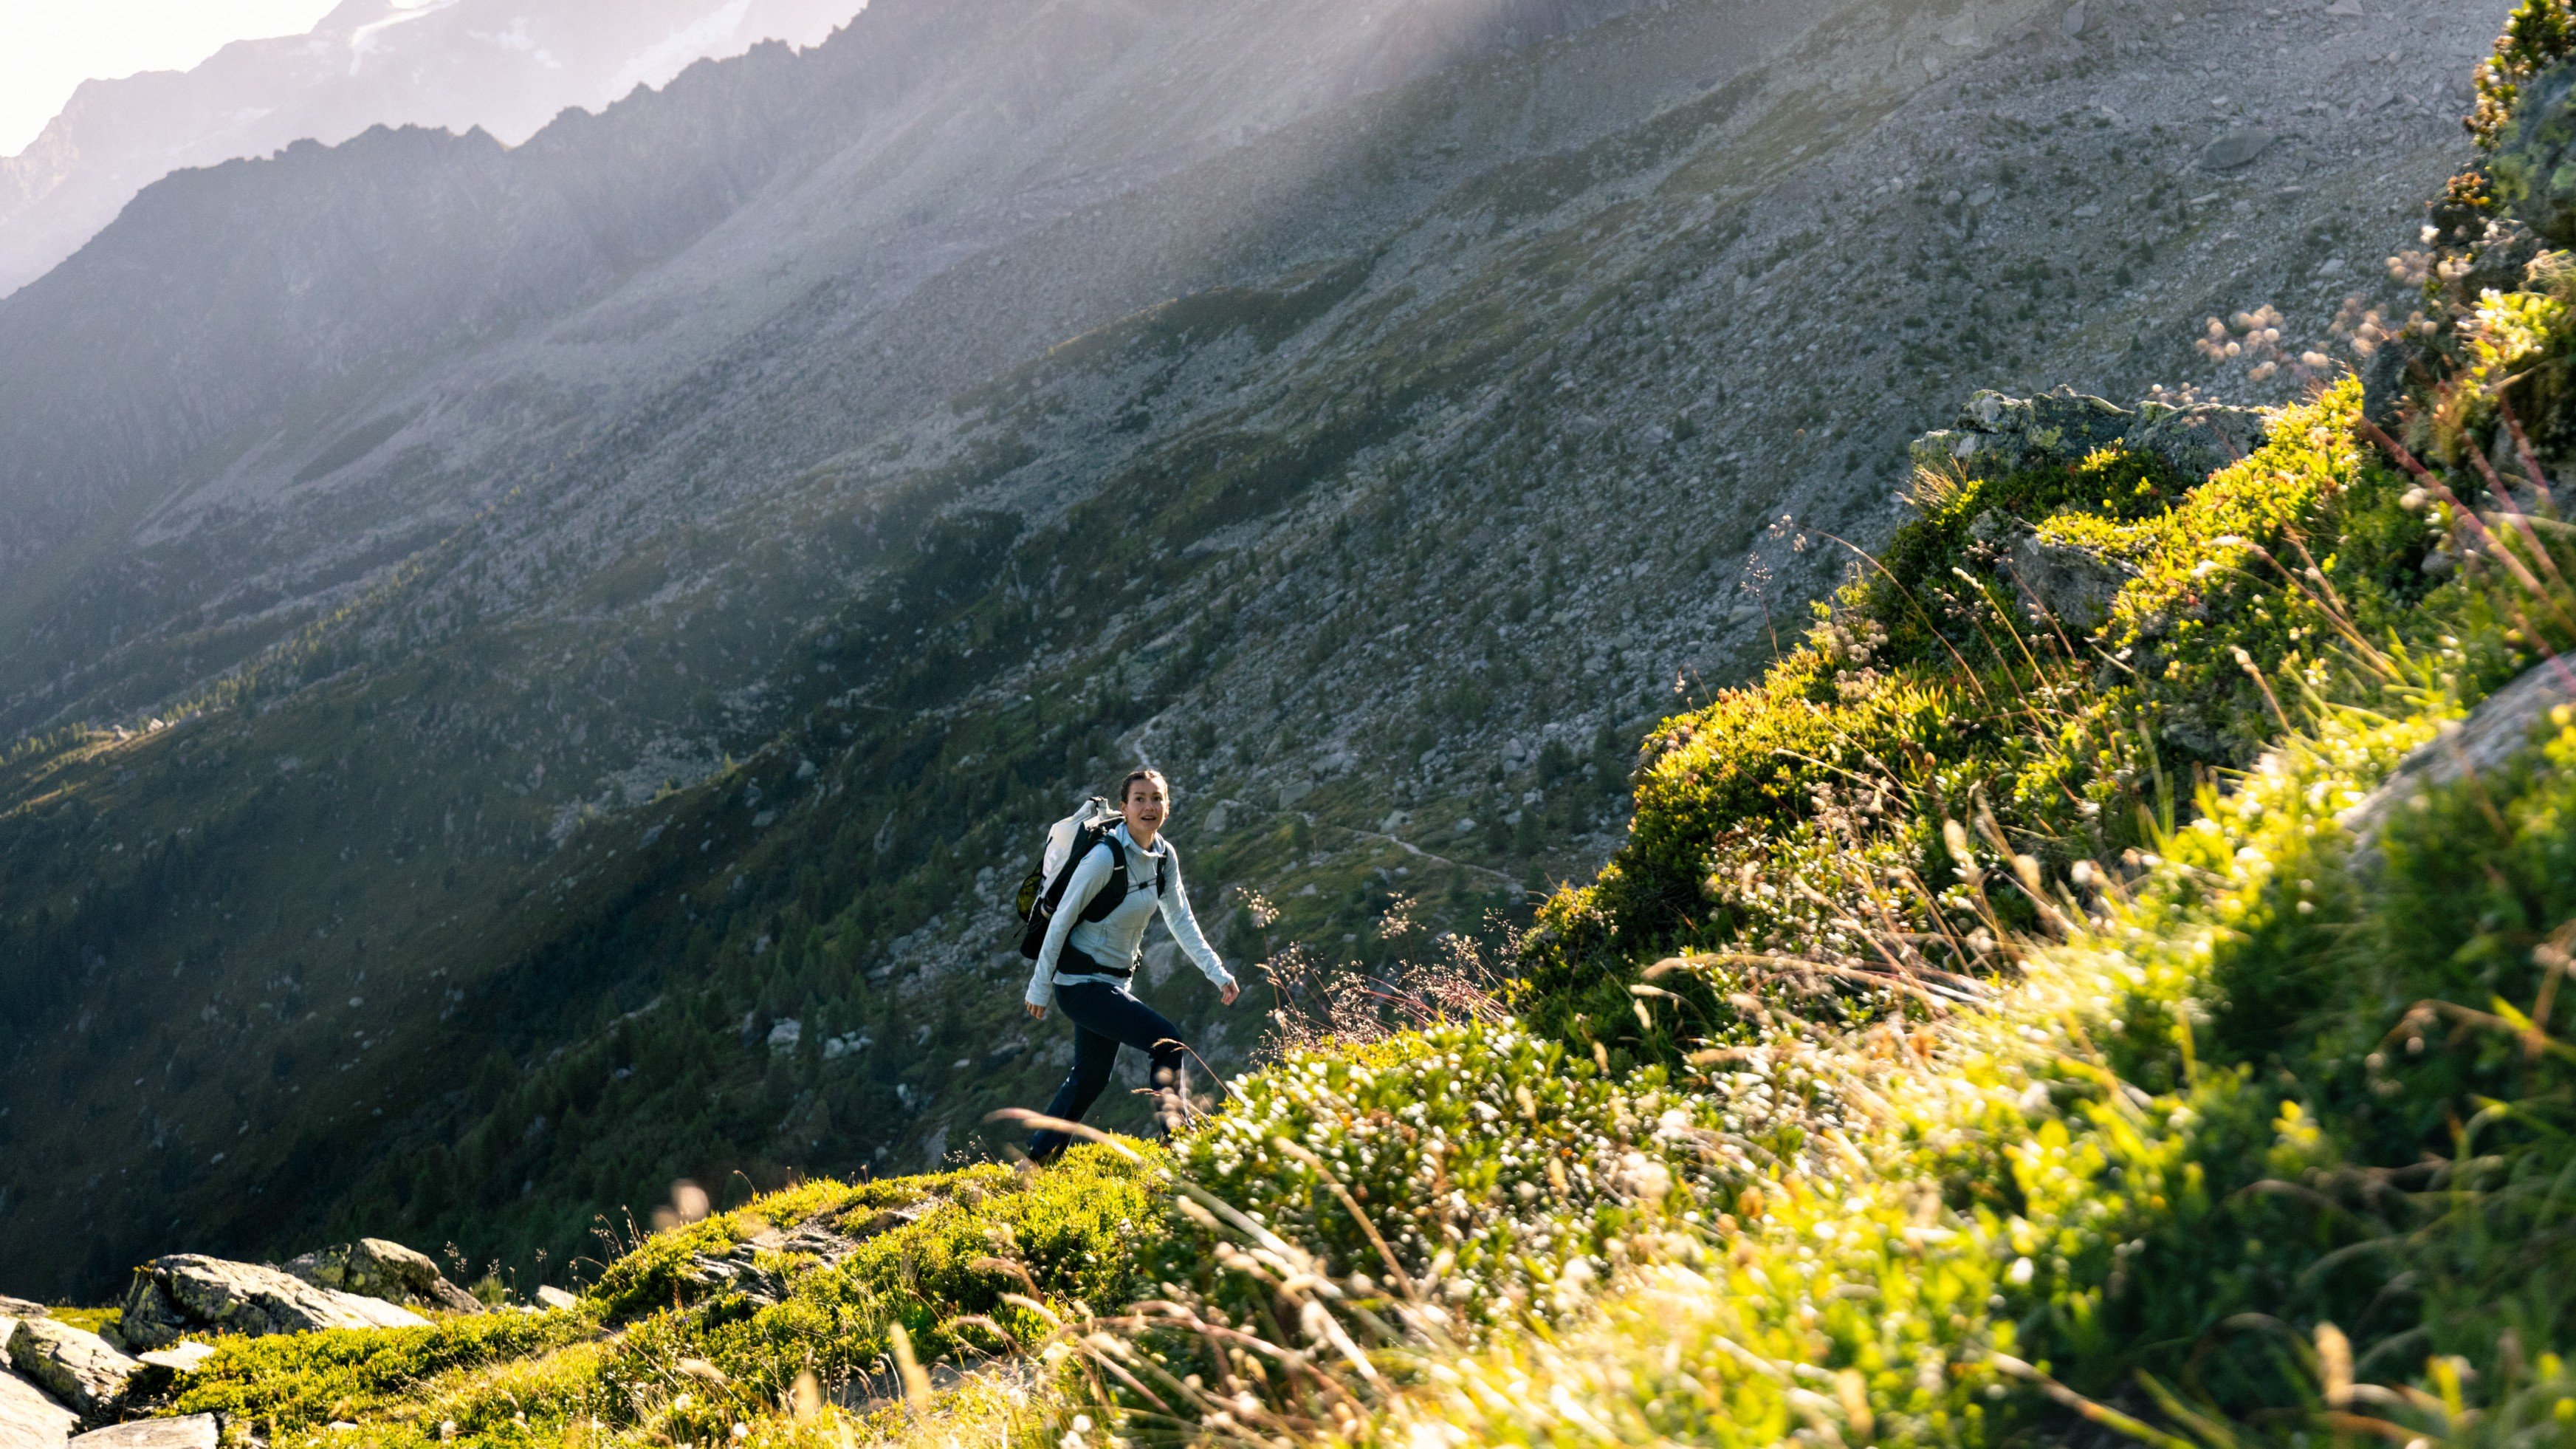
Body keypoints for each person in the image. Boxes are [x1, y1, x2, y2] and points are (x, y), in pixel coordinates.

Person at [1023, 767, 1239, 1162]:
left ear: (1167, 808)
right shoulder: (1105, 857)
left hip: (1114, 985)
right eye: (1139, 799)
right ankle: (1176, 1140)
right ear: (1123, 809)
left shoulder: (1163, 857)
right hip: (1078, 984)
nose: (1149, 806)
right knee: (1166, 1039)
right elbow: (1062, 920)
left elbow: (1181, 921)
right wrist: (1039, 987)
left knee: (1090, 1079)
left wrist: (1217, 972)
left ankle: (1038, 1160)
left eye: (1157, 798)